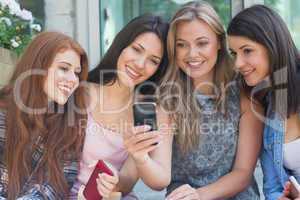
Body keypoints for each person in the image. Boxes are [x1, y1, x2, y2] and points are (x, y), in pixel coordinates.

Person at [160, 1, 263, 200]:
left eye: (202, 43)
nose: (192, 54)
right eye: (182, 45)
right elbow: (160, 174)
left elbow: (243, 172)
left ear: (218, 43)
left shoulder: (243, 91)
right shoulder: (168, 97)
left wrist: (200, 195)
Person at [70, 14, 173, 199]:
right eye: (136, 49)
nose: (140, 64)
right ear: (121, 45)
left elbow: (135, 181)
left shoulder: (150, 112)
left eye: (154, 60)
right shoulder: (80, 92)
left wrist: (116, 180)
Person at [0, 31, 89, 199]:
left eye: (77, 72)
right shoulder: (4, 113)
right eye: (64, 68)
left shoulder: (69, 124)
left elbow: (56, 186)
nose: (73, 80)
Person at [227, 4, 300, 200]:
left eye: (247, 51)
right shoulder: (264, 106)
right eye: (234, 53)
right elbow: (273, 188)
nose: (238, 64)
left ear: (272, 45)